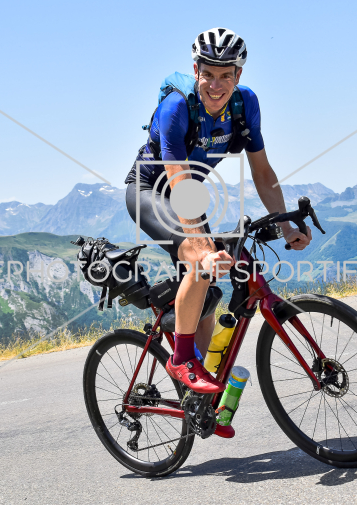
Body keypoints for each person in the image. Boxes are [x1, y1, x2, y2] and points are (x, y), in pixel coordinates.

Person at [124, 28, 311, 395]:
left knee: (208, 291)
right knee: (201, 260)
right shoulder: (177, 107)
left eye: (225, 75)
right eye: (208, 73)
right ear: (196, 70)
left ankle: (196, 396)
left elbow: (262, 171)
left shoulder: (245, 104)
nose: (215, 84)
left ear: (238, 75)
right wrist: (201, 246)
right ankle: (181, 360)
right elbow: (177, 178)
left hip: (188, 195)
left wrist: (287, 226)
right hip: (149, 191)